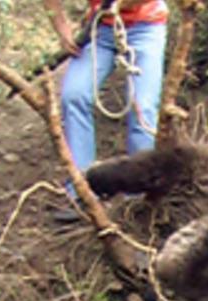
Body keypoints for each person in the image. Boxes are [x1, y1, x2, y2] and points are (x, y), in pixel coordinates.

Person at [44, 0, 168, 221]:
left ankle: (139, 200)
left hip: (146, 26)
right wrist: (62, 29)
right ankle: (81, 191)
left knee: (143, 107)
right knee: (74, 96)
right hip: (100, 29)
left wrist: (120, 4)